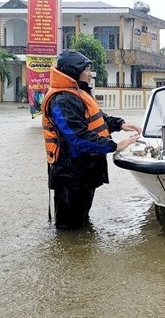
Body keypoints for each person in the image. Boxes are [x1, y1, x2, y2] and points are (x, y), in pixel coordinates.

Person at [42, 50, 142, 230]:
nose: (90, 74)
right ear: (74, 72)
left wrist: (120, 124)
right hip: (70, 172)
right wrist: (115, 145)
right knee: (69, 229)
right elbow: (78, 137)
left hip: (84, 169)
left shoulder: (77, 93)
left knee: (82, 220)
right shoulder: (61, 100)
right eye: (86, 69)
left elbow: (96, 119)